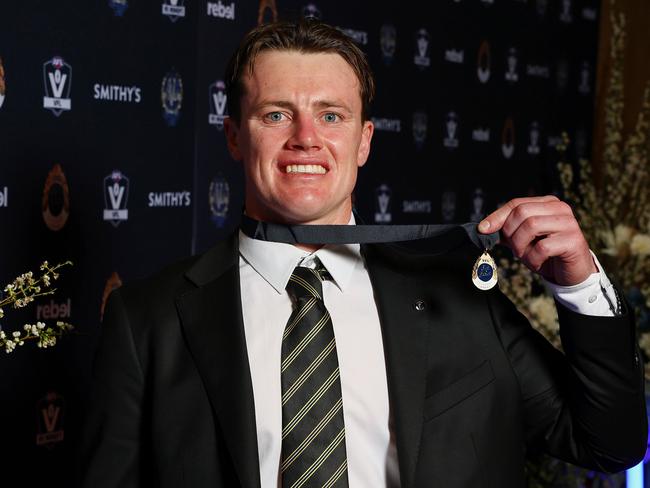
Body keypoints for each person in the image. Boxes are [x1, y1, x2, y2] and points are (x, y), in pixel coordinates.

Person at [78, 19, 647, 488]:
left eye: (331, 116)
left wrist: (579, 288)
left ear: (365, 140)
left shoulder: (458, 297)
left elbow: (609, 443)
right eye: (276, 114)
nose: (306, 137)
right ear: (232, 136)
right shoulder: (147, 321)